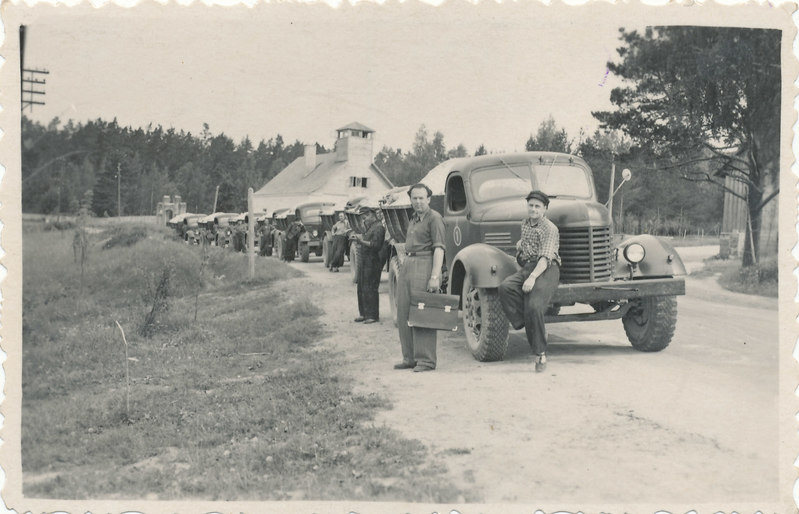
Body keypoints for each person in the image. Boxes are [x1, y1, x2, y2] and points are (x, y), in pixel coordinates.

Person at [498, 190, 560, 373]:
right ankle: (530, 323)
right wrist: (520, 245)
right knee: (505, 287)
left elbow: (546, 257)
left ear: (545, 209)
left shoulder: (550, 228)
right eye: (531, 205)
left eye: (537, 206)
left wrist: (532, 277)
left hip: (547, 268)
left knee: (534, 306)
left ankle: (540, 354)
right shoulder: (525, 223)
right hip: (529, 266)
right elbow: (527, 245)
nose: (533, 209)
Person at [395, 183, 445, 372]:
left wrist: (434, 276)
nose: (418, 202)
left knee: (422, 312)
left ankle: (426, 360)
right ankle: (409, 358)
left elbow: (439, 248)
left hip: (425, 265)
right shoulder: (414, 218)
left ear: (429, 199)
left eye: (421, 198)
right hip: (408, 264)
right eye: (414, 198)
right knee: (404, 312)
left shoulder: (435, 219)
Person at [352, 205, 385, 324]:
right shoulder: (370, 226)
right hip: (365, 260)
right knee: (361, 287)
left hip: (373, 261)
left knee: (370, 287)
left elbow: (376, 245)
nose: (363, 220)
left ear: (372, 215)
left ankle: (372, 315)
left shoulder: (379, 227)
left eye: (365, 217)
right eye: (362, 218)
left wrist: (361, 240)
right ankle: (363, 313)